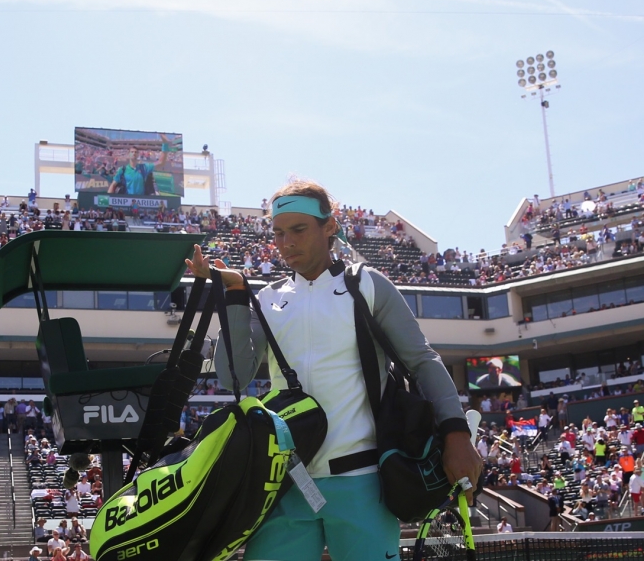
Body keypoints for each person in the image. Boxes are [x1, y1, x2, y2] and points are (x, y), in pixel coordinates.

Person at [184, 179, 481, 561]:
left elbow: (422, 362)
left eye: (298, 230)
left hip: (363, 484)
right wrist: (237, 294)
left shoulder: (368, 285)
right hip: (284, 487)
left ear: (330, 227)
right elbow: (234, 377)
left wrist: (456, 434)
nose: (286, 242)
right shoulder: (268, 299)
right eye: (278, 232)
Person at [107, 142, 175, 196]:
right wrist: (108, 203)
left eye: (136, 152)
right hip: (126, 202)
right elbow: (113, 185)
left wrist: (165, 144)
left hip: (141, 203)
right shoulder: (122, 170)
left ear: (138, 154)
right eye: (132, 152)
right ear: (129, 154)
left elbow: (161, 162)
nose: (134, 153)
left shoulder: (144, 167)